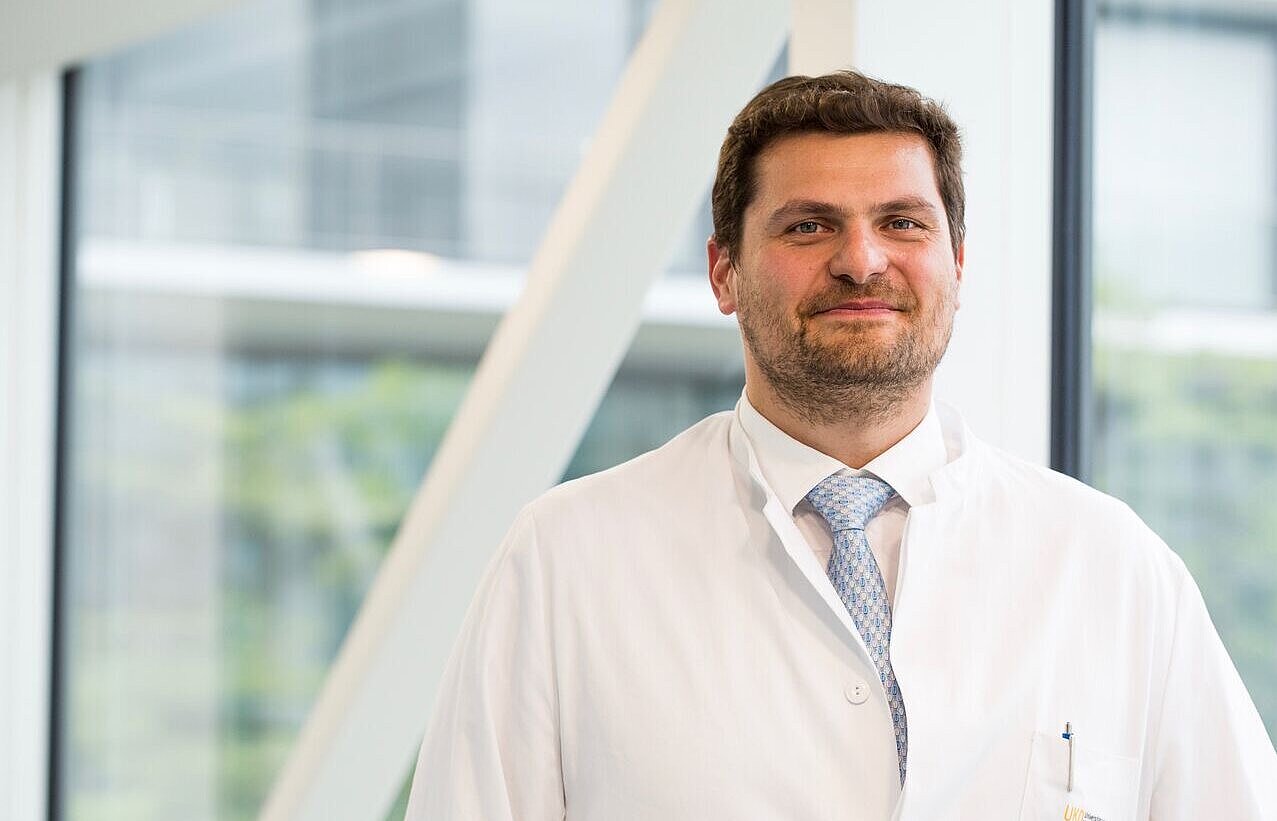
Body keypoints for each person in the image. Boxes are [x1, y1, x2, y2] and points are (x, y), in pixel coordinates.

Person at [405, 71, 1277, 820]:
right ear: (722, 271)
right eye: (807, 226)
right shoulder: (565, 558)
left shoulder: (1110, 564)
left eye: (902, 223)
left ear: (957, 263)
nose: (861, 261)